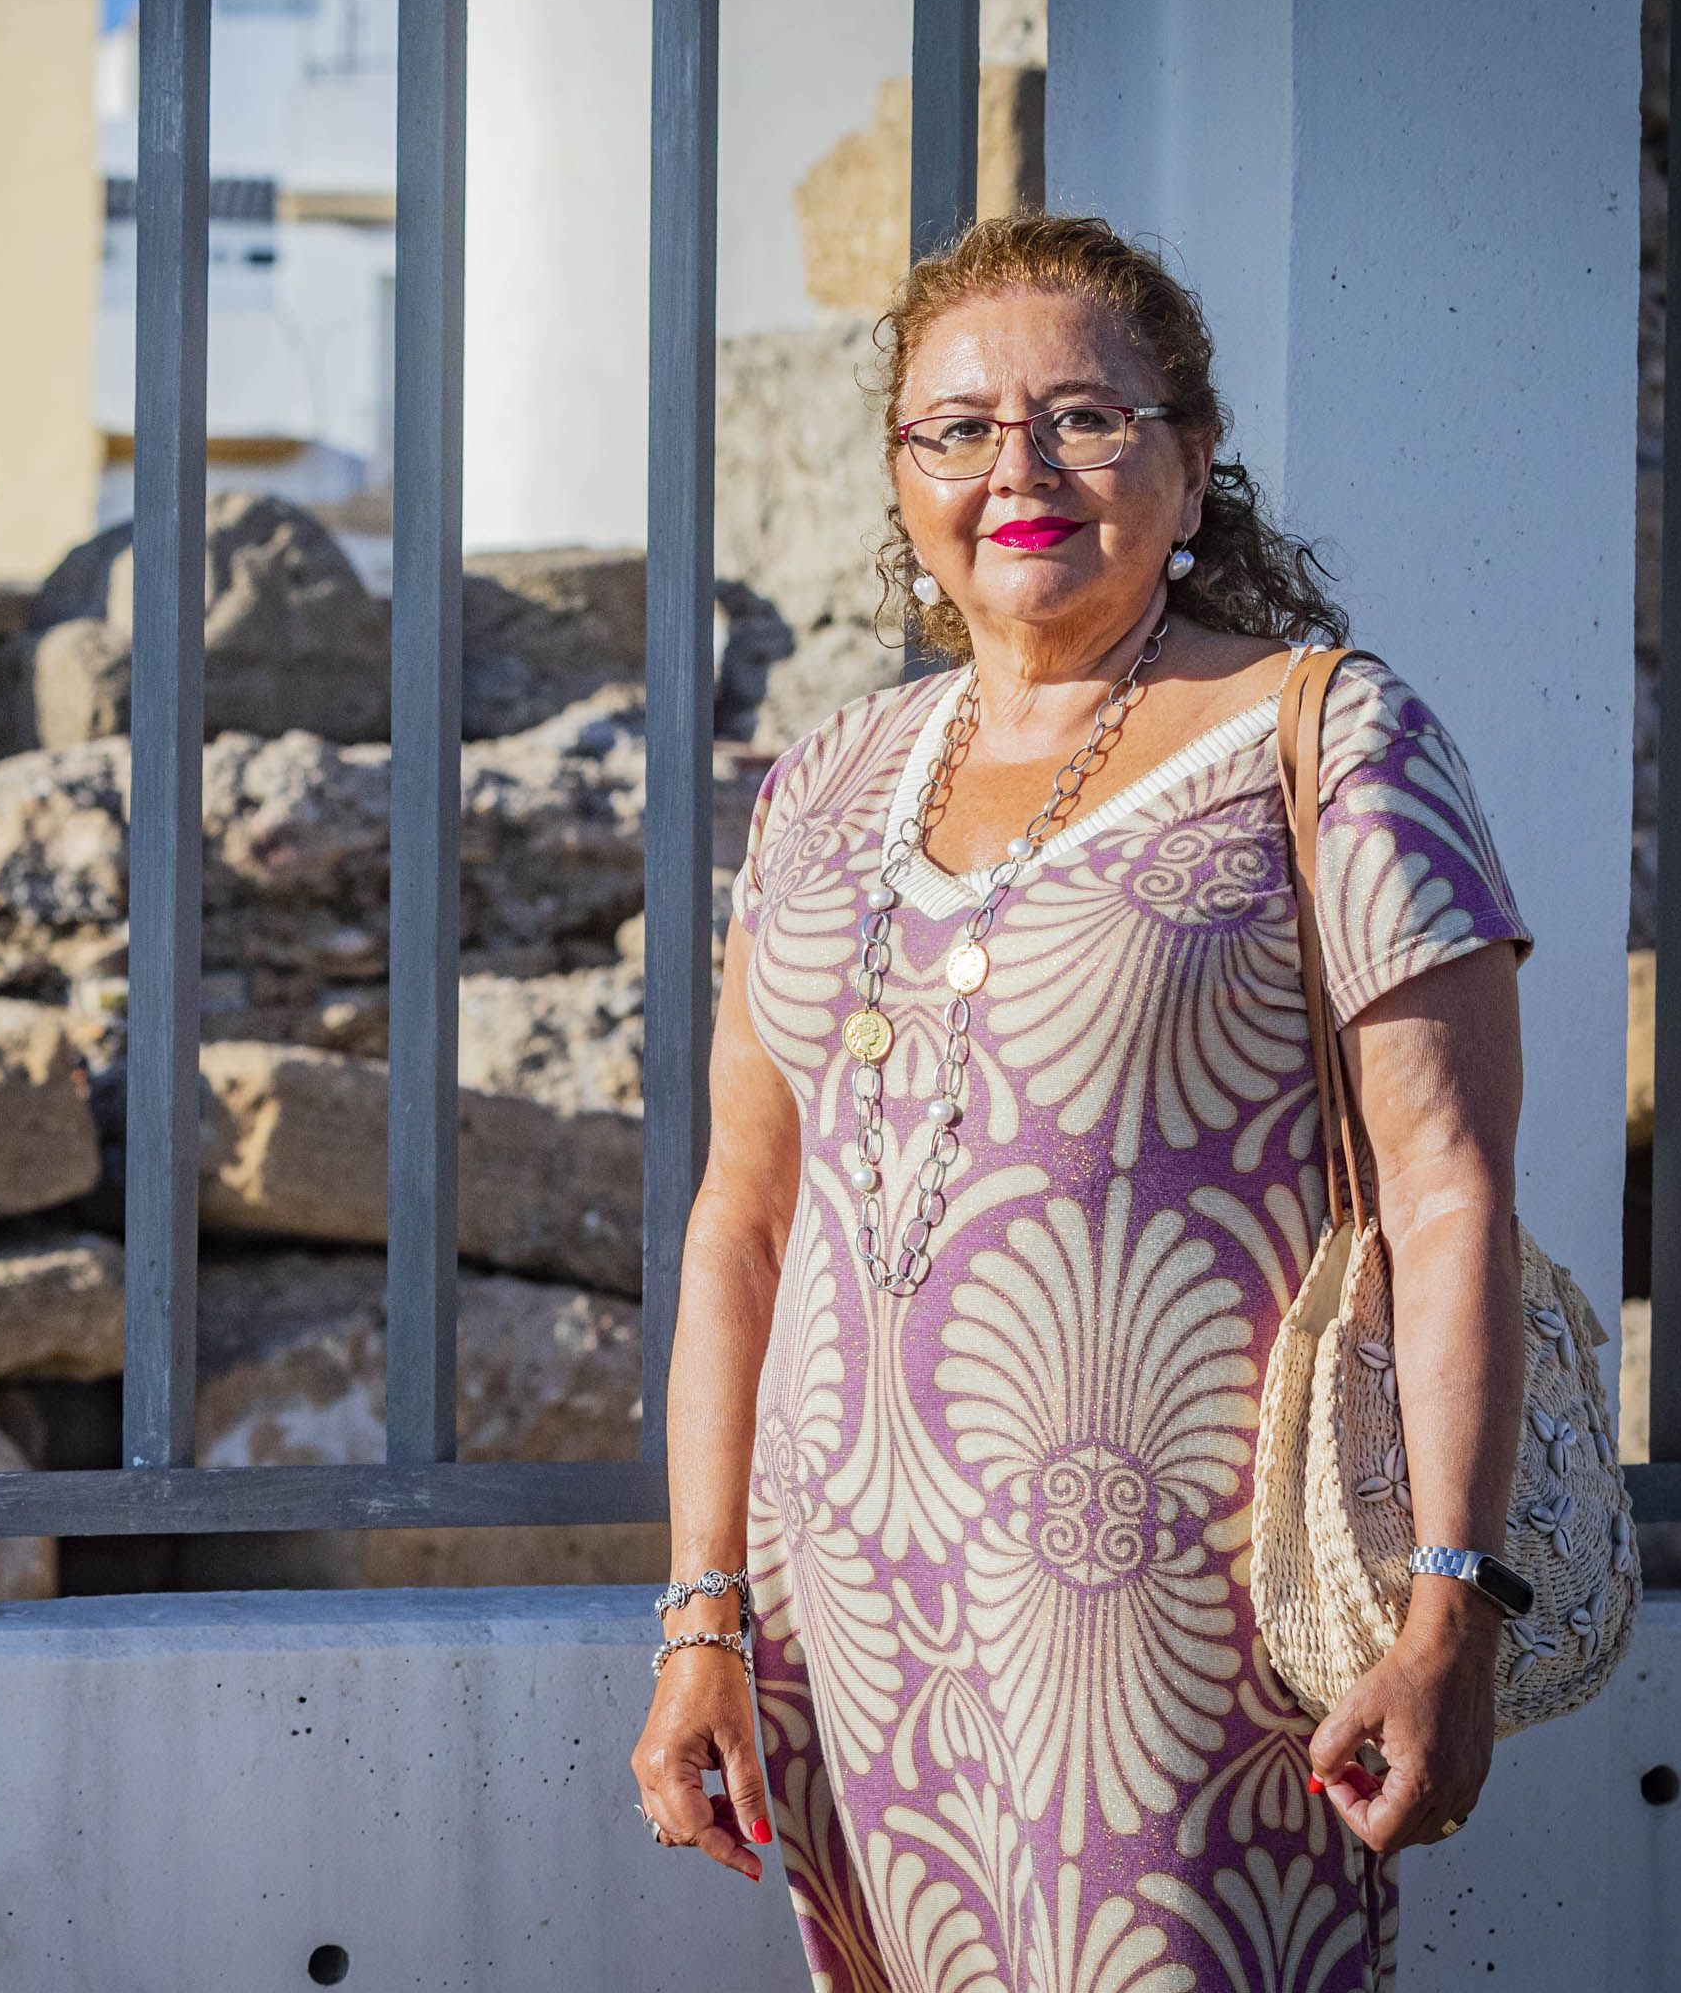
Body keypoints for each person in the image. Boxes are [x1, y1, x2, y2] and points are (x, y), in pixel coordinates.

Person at [628, 211, 1535, 1993]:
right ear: (903, 481)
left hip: (1179, 1651)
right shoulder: (819, 787)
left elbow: (1450, 1197)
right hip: (857, 1643)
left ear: (1193, 467)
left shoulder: (1330, 738)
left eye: (1084, 419)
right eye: (955, 427)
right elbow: (746, 1217)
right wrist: (703, 1614)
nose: (1015, 468)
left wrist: (1455, 1612)